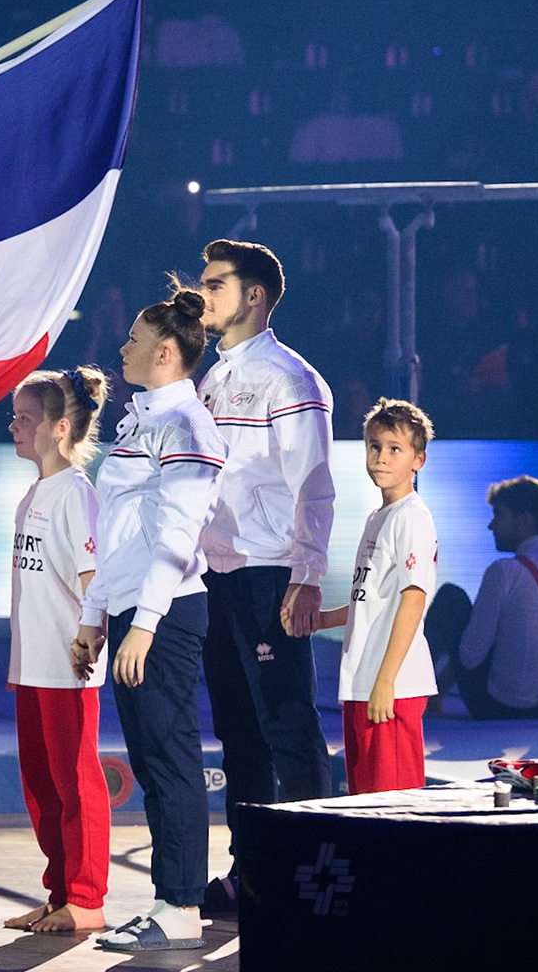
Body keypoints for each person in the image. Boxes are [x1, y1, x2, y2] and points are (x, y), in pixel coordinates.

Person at [73, 290, 225, 953]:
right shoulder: (143, 422)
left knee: (170, 761)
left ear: (166, 352)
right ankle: (170, 904)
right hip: (136, 608)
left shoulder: (189, 426)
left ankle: (183, 909)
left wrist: (145, 624)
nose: (122, 347)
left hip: (166, 611)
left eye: (133, 339)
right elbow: (118, 533)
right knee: (153, 759)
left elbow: (176, 538)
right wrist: (93, 617)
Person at [191, 239, 333, 914]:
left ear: (254, 296)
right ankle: (251, 875)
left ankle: (312, 875)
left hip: (270, 573)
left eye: (214, 284)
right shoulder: (211, 376)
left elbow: (314, 486)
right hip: (217, 575)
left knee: (286, 725)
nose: (202, 294)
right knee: (238, 732)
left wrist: (307, 573)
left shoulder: (291, 378)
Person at [2, 366, 112, 934]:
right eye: (15, 417)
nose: (14, 427)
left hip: (69, 665)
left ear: (60, 427)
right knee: (41, 785)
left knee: (75, 782)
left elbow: (96, 580)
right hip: (33, 664)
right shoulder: (35, 492)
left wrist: (86, 640)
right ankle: (61, 891)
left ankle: (87, 899)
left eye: (25, 418)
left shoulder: (75, 494)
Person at [315, 398, 438, 795]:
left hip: (391, 686)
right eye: (375, 446)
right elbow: (373, 602)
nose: (381, 458)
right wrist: (322, 620)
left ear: (418, 460)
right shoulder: (378, 517)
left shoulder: (412, 517)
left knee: (393, 806)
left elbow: (413, 600)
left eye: (395, 449)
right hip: (363, 682)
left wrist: (386, 681)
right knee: (364, 801)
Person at [425, 476, 538, 718]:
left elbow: (470, 655)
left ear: (524, 521)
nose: (491, 525)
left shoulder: (505, 571)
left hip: (500, 707)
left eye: (498, 515)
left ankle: (413, 691)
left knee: (451, 598)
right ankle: (434, 692)